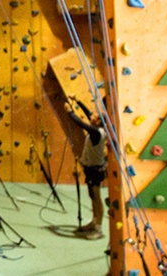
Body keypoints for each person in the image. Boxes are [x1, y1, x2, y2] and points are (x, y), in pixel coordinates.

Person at [65, 98, 107, 240]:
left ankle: (98, 228)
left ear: (99, 122)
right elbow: (87, 113)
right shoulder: (97, 128)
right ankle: (94, 222)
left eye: (95, 117)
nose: (91, 116)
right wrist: (77, 100)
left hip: (96, 170)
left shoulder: (96, 133)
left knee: (96, 198)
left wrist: (70, 112)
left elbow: (80, 123)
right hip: (91, 168)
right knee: (92, 196)